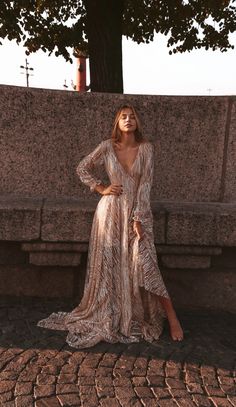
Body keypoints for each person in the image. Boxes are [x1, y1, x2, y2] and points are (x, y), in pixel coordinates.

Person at [37, 104, 184, 348]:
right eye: (123, 117)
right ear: (117, 122)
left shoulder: (146, 149)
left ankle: (171, 317)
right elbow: (82, 167)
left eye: (132, 116)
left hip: (137, 214)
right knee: (111, 266)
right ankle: (114, 311)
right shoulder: (107, 147)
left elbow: (145, 185)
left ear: (137, 122)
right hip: (109, 213)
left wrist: (138, 218)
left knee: (146, 264)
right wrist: (100, 187)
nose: (128, 119)